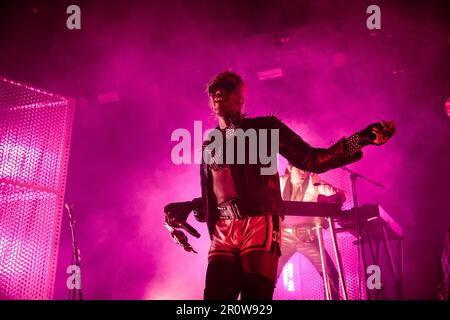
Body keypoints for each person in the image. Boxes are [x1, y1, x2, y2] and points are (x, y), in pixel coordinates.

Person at [164, 71, 396, 300]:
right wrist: (189, 206)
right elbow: (219, 193)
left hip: (258, 223)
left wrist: (361, 139)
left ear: (240, 99)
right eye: (213, 89)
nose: (218, 92)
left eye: (227, 87)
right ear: (209, 100)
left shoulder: (264, 128)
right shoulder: (209, 146)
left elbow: (312, 160)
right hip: (224, 229)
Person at [278, 163, 345, 299]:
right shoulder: (280, 182)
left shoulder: (314, 181)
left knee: (330, 273)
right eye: (299, 168)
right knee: (267, 275)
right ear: (290, 168)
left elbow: (340, 194)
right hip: (284, 237)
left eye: (306, 169)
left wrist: (334, 195)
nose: (303, 172)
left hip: (308, 237)